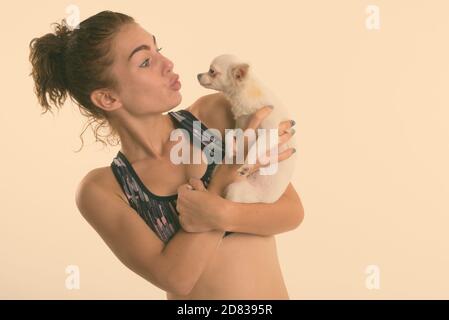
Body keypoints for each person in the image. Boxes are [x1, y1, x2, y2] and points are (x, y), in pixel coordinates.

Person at [29, 10, 304, 299]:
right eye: (145, 61)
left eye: (158, 49)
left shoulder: (215, 115)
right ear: (108, 98)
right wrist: (223, 180)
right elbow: (177, 278)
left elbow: (291, 212)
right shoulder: (103, 189)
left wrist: (217, 212)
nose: (167, 63)